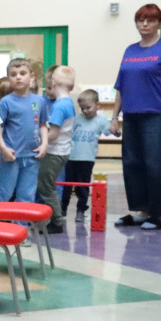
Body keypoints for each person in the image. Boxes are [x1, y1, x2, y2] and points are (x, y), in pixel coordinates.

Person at [110, 3, 161, 231]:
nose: (144, 24)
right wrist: (114, 117)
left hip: (157, 115)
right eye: (140, 20)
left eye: (150, 20)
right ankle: (140, 211)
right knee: (132, 164)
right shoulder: (130, 50)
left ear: (159, 24)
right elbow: (121, 86)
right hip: (132, 115)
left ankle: (157, 215)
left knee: (156, 165)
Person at [0, 58, 48, 205]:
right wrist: (3, 149)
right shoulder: (5, 103)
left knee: (27, 196)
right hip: (11, 156)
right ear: (9, 78)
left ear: (31, 77)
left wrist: (44, 144)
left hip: (32, 156)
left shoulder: (39, 101)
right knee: (4, 193)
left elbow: (42, 124)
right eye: (13, 74)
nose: (18, 77)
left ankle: (21, 227)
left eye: (22, 73)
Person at [36, 65, 76, 233]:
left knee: (46, 186)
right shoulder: (69, 103)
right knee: (49, 184)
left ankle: (56, 221)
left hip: (55, 152)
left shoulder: (59, 106)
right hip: (63, 151)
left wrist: (39, 138)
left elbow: (53, 134)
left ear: (52, 82)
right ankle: (55, 218)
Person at [61, 89, 111, 224]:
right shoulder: (77, 119)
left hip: (87, 159)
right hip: (71, 158)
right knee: (67, 186)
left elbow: (110, 131)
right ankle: (62, 209)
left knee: (82, 187)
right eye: (82, 108)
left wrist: (115, 127)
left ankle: (81, 210)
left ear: (97, 105)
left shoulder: (101, 121)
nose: (85, 111)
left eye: (88, 107)